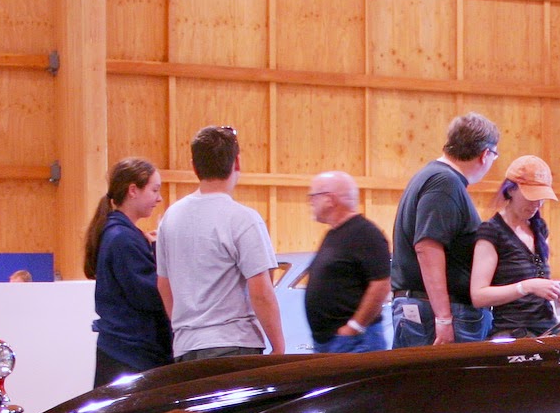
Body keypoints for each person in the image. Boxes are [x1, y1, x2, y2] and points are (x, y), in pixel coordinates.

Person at [156, 125, 285, 361]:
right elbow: (261, 291)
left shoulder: (170, 218)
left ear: (194, 167)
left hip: (186, 347)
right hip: (233, 344)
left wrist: (186, 327)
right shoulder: (243, 219)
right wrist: (278, 347)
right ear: (237, 163)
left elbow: (164, 285)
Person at [391, 112, 500, 347]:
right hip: (437, 313)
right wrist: (443, 317)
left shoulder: (434, 178)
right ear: (485, 154)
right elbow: (427, 247)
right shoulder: (444, 183)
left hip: (427, 308)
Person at [83, 157, 172, 386]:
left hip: (123, 352)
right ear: (133, 190)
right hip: (131, 356)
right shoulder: (123, 239)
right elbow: (150, 295)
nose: (159, 198)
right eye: (154, 190)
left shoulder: (120, 234)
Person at [469, 155, 560, 338]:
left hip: (546, 329)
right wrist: (525, 287)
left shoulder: (539, 228)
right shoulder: (492, 231)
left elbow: (539, 279)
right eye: (531, 197)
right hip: (511, 330)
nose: (537, 205)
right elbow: (478, 296)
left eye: (541, 199)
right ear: (511, 190)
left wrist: (555, 292)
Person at [303, 171, 390, 353]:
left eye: (313, 196)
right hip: (332, 342)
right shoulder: (333, 234)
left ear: (329, 199)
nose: (310, 201)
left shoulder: (365, 233)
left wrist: (355, 327)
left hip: (355, 343)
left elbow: (381, 285)